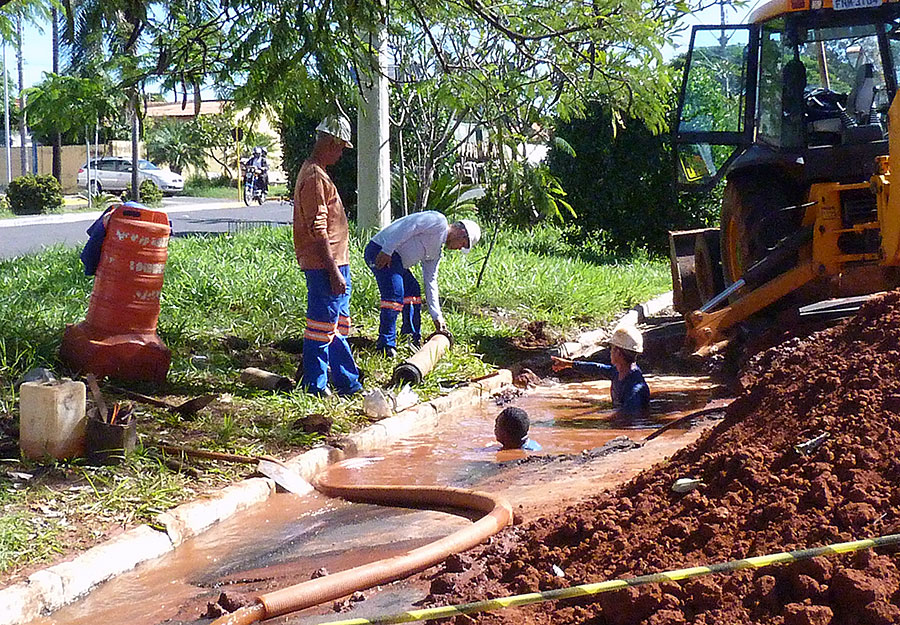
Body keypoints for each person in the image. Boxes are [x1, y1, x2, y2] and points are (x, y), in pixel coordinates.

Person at [292, 115, 362, 397]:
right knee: (321, 328)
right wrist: (333, 271)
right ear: (330, 143)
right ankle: (316, 385)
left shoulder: (317, 173)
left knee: (337, 326)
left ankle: (347, 381)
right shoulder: (314, 178)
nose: (341, 153)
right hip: (325, 265)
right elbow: (317, 230)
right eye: (341, 147)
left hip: (334, 263)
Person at [364, 212, 481, 356]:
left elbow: (430, 281)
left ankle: (411, 337)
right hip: (380, 250)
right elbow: (408, 227)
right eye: (463, 244)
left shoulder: (436, 252)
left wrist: (437, 316)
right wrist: (387, 250)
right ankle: (385, 345)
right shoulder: (437, 221)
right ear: (462, 233)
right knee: (394, 294)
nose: (459, 248)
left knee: (413, 290)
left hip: (396, 262)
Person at [551, 324, 650, 417]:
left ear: (618, 352)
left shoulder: (635, 389)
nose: (610, 352)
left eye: (611, 348)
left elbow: (628, 418)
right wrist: (568, 364)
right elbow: (596, 369)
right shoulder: (618, 371)